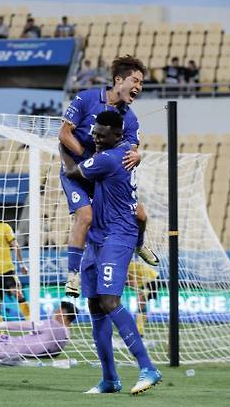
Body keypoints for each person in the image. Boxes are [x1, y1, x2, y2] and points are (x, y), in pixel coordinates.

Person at [61, 111, 162, 395]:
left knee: (109, 299)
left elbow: (72, 172)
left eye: (100, 133)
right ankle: (109, 379)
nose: (94, 136)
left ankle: (148, 368)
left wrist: (62, 146)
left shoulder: (108, 158)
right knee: (94, 306)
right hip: (99, 235)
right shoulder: (122, 153)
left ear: (116, 135)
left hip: (117, 236)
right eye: (93, 131)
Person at [58, 55, 158, 298]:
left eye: (141, 83)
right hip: (77, 173)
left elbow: (131, 150)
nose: (138, 87)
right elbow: (64, 133)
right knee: (86, 216)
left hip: (102, 176)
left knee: (140, 214)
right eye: (135, 80)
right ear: (118, 80)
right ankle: (73, 277)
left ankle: (139, 243)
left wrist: (138, 156)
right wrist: (85, 159)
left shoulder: (130, 119)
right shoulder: (87, 98)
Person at [126, 261, 159, 336]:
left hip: (151, 280)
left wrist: (128, 283)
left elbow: (133, 282)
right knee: (141, 304)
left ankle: (139, 331)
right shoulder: (127, 265)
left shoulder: (126, 266)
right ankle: (140, 330)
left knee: (140, 303)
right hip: (147, 279)